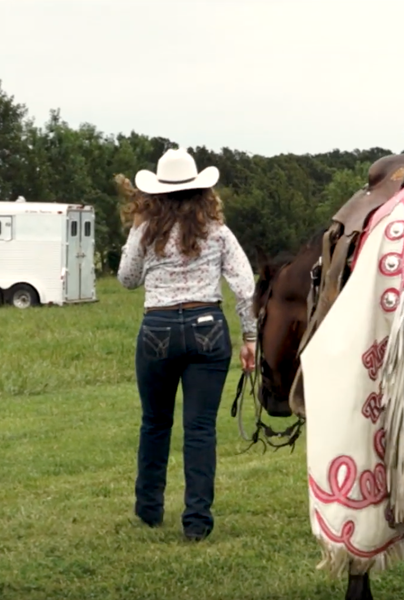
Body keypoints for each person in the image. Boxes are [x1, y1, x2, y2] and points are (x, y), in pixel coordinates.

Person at [117, 147, 257, 542]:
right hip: (207, 326)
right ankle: (196, 522)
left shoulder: (145, 230)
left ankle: (148, 509)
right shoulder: (218, 232)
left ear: (157, 193)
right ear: (201, 192)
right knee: (199, 429)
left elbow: (127, 279)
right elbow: (245, 288)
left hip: (158, 326)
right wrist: (249, 337)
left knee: (155, 422)